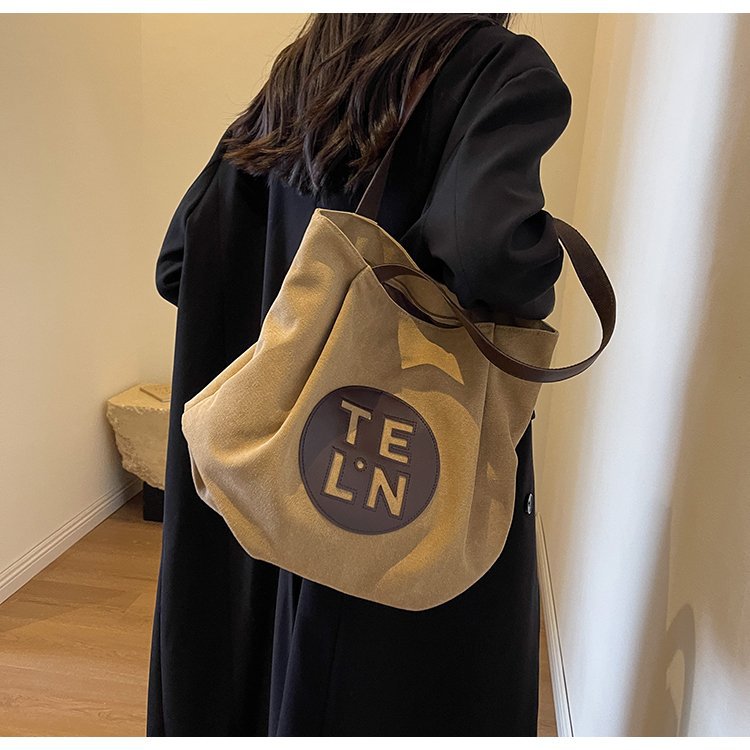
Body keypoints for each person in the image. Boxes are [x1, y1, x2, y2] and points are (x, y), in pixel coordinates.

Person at [148, 12, 572, 737]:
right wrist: (543, 252)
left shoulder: (305, 69)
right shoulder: (496, 68)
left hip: (265, 473)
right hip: (389, 470)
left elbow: (179, 260)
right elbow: (488, 250)